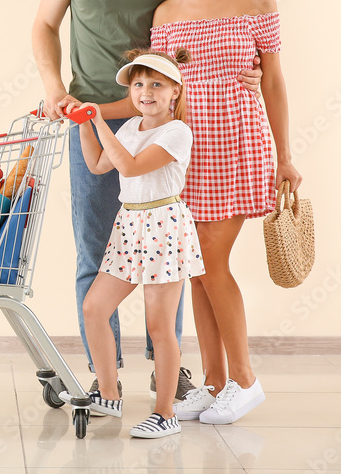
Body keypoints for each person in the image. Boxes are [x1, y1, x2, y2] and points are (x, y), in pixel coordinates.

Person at [31, 0, 261, 398]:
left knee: (167, 252)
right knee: (94, 249)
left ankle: (170, 368)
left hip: (164, 125)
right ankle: (102, 374)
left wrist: (243, 70)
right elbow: (42, 26)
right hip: (95, 120)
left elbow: (199, 21)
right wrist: (55, 89)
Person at [150, 0, 302, 425]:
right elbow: (161, 89)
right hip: (188, 150)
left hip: (238, 143)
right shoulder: (168, 13)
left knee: (212, 264)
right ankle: (214, 383)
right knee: (195, 271)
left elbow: (275, 81)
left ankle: (245, 379)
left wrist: (285, 155)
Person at [61, 48, 205, 439]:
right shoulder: (129, 128)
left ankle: (165, 413)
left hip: (162, 225)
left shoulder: (177, 131)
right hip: (130, 225)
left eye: (156, 84)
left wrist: (98, 119)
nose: (146, 91)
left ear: (175, 91)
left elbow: (129, 166)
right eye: (139, 84)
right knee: (95, 307)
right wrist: (80, 125)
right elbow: (97, 164)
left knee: (160, 328)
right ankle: (108, 394)